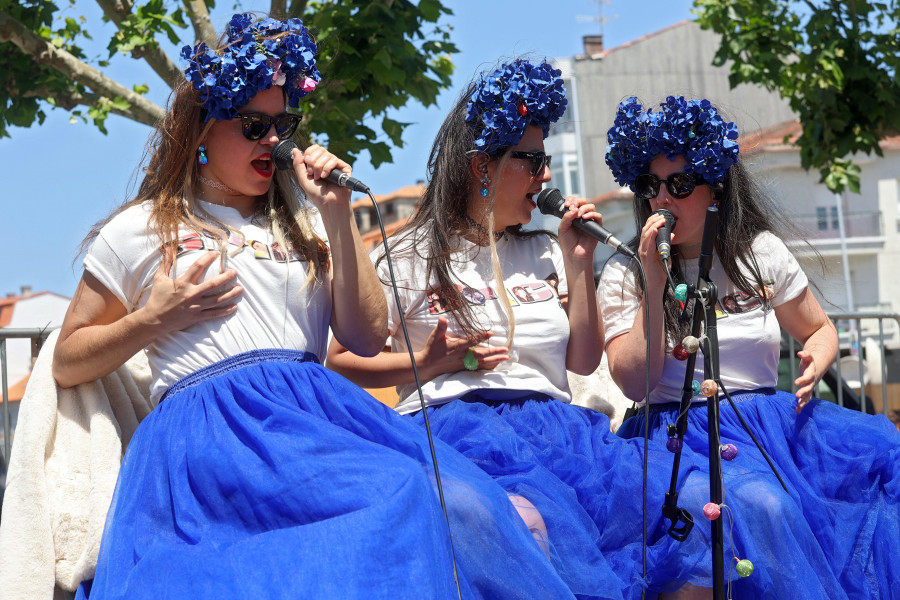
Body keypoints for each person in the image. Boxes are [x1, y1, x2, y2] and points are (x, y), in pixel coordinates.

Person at [54, 15, 572, 599]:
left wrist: (335, 216)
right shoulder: (141, 227)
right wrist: (153, 318)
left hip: (314, 415)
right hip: (214, 437)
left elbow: (366, 334)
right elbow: (68, 358)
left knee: (475, 506)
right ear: (201, 131)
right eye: (254, 125)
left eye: (285, 124)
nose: (274, 141)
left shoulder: (304, 225)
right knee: (395, 499)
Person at [327, 59, 697, 599]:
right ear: (483, 165)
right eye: (533, 160)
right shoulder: (406, 254)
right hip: (456, 430)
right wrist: (429, 364)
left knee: (684, 518)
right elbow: (340, 356)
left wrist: (577, 262)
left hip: (559, 433)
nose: (546, 176)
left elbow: (582, 360)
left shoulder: (546, 248)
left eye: (546, 161)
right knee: (524, 523)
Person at [599, 96, 900, 599]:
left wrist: (819, 357)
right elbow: (633, 381)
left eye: (679, 185)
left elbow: (820, 330)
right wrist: (653, 278)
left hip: (763, 429)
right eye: (651, 186)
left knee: (788, 502)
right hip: (670, 434)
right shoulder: (626, 270)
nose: (663, 200)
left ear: (714, 187)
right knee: (710, 510)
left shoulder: (759, 251)